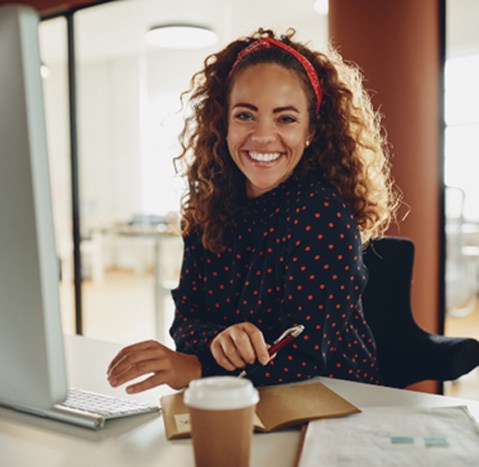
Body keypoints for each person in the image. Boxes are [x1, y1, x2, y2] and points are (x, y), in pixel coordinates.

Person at [107, 28, 399, 394]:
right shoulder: (208, 208)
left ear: (311, 130)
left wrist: (199, 367)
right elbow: (186, 323)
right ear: (223, 123)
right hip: (242, 400)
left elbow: (304, 356)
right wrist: (218, 341)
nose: (263, 136)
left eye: (286, 118)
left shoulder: (323, 213)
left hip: (333, 401)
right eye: (245, 115)